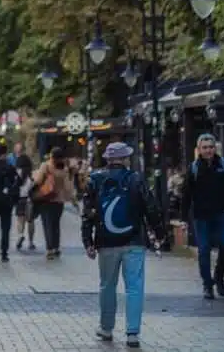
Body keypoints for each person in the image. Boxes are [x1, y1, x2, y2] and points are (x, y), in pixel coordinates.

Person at [82, 142, 166, 349]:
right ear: (126, 159)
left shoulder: (95, 180)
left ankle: (106, 328)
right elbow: (151, 208)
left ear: (108, 160)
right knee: (134, 287)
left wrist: (88, 241)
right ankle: (132, 333)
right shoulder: (136, 179)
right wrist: (160, 233)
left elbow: (88, 214)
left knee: (107, 285)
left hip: (106, 242)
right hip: (134, 241)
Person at [180, 133, 224, 300]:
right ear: (199, 149)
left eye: (211, 147)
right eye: (205, 147)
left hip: (222, 215)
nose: (208, 150)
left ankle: (219, 277)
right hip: (201, 217)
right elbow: (186, 194)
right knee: (204, 250)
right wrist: (184, 218)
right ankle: (207, 284)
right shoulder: (193, 168)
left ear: (215, 148)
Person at [33, 147, 75, 259]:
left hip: (46, 199)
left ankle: (50, 249)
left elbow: (38, 180)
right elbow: (67, 187)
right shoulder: (64, 169)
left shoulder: (46, 166)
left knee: (47, 225)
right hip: (59, 201)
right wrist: (72, 199)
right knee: (55, 225)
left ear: (52, 156)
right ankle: (56, 248)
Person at [14, 154, 37, 251]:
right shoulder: (32, 174)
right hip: (29, 199)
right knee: (30, 221)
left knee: (20, 220)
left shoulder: (16, 173)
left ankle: (20, 235)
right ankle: (31, 242)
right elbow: (35, 185)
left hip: (19, 199)